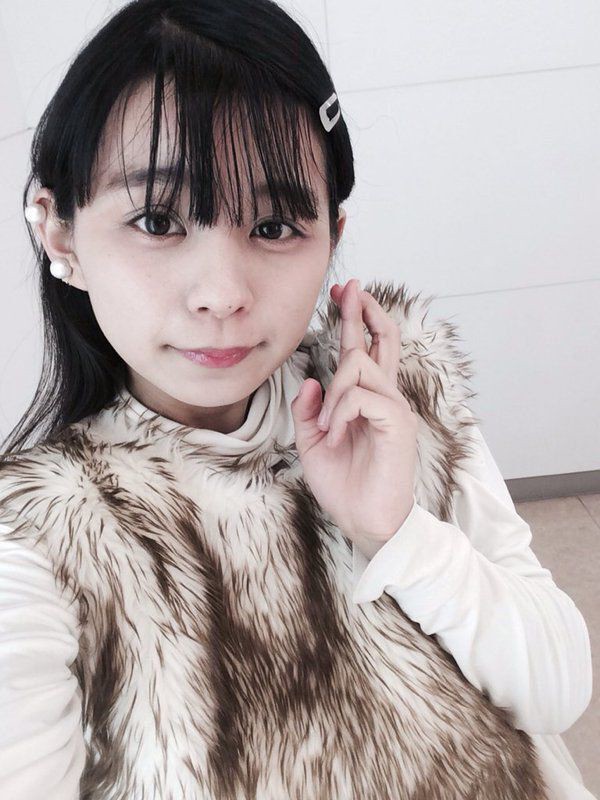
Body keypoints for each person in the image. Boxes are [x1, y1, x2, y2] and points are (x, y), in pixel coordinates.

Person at [0, 1, 595, 798]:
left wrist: (398, 533)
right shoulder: (40, 534)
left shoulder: (394, 397)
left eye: (275, 226)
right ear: (60, 234)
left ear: (333, 235)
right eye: (157, 220)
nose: (222, 293)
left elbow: (557, 691)